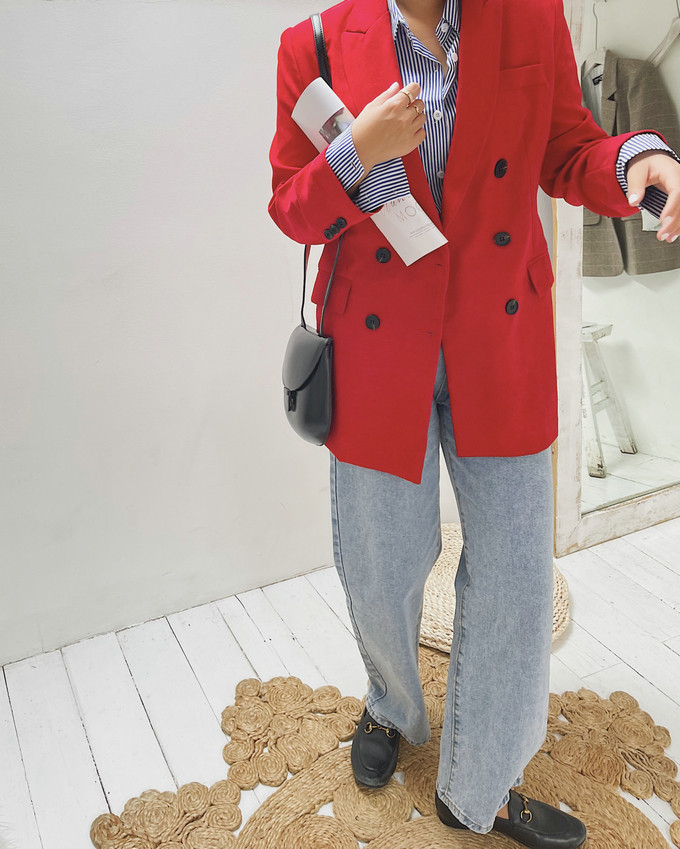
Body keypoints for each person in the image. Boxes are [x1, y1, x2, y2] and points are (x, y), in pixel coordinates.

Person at [268, 0, 680, 845]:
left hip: (500, 337)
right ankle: (390, 704)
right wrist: (356, 151)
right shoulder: (312, 45)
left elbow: (569, 149)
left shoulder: (531, 18)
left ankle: (477, 787)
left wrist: (635, 156)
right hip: (377, 351)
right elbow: (292, 210)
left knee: (516, 579)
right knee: (381, 565)